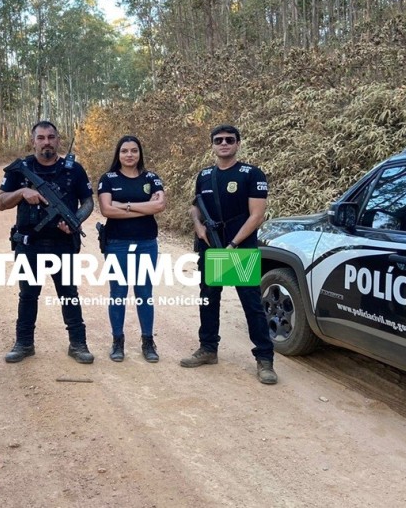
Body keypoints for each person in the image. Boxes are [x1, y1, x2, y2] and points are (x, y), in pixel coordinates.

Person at [181, 124, 278, 385]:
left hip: (239, 248)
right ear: (212, 145)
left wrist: (233, 244)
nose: (224, 143)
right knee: (208, 300)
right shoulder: (204, 175)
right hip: (211, 246)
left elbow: (257, 215)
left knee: (252, 305)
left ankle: (265, 359)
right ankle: (208, 349)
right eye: (218, 140)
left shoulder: (251, 174)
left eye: (229, 140)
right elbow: (195, 207)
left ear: (237, 144)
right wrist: (198, 224)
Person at [0, 121, 95, 364]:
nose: (46, 142)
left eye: (51, 137)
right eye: (41, 138)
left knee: (69, 294)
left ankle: (78, 344)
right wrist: (21, 193)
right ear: (33, 141)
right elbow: (0, 202)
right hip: (30, 244)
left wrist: (75, 221)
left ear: (58, 140)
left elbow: (88, 202)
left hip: (63, 243)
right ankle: (24, 343)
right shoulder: (21, 170)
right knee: (28, 295)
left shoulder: (74, 170)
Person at [97, 136, 166, 362]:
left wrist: (124, 205)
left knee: (144, 293)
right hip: (117, 243)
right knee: (118, 293)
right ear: (118, 154)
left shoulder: (152, 178)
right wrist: (144, 208)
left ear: (140, 153)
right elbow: (106, 210)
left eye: (134, 151)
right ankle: (118, 341)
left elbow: (159, 205)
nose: (129, 155)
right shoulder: (108, 179)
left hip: (147, 242)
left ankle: (148, 341)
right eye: (125, 151)